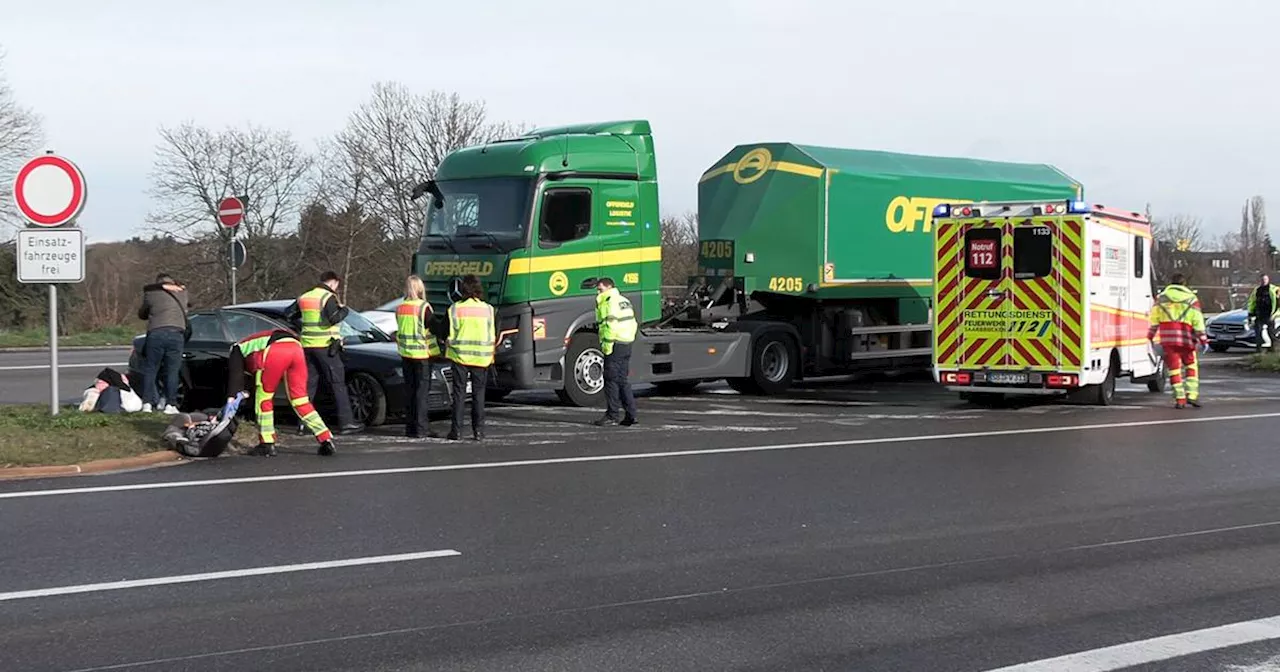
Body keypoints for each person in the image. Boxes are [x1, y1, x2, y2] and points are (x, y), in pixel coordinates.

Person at [224, 327, 336, 457]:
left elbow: (236, 378)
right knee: (301, 400)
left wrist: (230, 401)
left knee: (264, 398)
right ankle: (325, 438)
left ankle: (266, 443)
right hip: (296, 348)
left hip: (275, 349)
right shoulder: (255, 342)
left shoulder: (236, 349)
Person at [287, 271, 363, 434]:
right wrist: (345, 310)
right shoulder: (327, 297)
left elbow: (290, 315)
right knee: (337, 384)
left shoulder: (305, 297)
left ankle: (303, 424)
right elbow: (334, 318)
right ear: (333, 282)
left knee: (309, 386)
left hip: (307, 346)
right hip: (326, 347)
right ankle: (346, 422)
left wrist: (303, 327)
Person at [445, 274, 495, 441]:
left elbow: (450, 333)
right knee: (478, 395)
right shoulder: (488, 309)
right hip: (481, 358)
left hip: (460, 357)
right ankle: (478, 432)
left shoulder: (455, 309)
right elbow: (491, 335)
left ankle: (456, 431)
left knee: (459, 394)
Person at [1148, 273, 1208, 409]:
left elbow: (1154, 320)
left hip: (1168, 339)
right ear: (1184, 284)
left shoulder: (1161, 298)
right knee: (1191, 366)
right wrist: (1203, 339)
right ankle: (1192, 396)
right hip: (1187, 339)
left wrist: (1150, 336)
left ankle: (1179, 399)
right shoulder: (1192, 299)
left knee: (1174, 370)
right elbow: (1197, 321)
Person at [396, 275, 441, 438]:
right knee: (421, 393)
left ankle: (411, 428)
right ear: (419, 288)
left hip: (405, 354)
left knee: (410, 391)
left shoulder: (400, 307)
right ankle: (422, 428)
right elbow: (434, 327)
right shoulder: (423, 307)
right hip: (422, 355)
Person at [137, 273, 189, 414]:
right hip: (176, 334)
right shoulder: (182, 292)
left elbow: (142, 314)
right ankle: (170, 404)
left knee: (151, 369)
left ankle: (147, 404)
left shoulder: (151, 293)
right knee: (172, 371)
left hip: (156, 333)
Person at [592, 277, 638, 426]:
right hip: (626, 343)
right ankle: (631, 414)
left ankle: (612, 415)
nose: (598, 292)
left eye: (600, 289)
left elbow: (609, 326)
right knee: (622, 380)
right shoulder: (624, 300)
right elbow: (633, 322)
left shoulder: (608, 302)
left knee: (611, 380)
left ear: (608, 287)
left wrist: (607, 346)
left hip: (615, 344)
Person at [1248, 273, 1279, 353]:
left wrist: (1275, 314)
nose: (1263, 281)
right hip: (1259, 314)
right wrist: (1251, 313)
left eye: (1265, 279)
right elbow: (1252, 302)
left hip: (1270, 314)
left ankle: (1273, 349)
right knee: (1258, 332)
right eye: (1262, 279)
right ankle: (1259, 350)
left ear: (1268, 280)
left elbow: (1278, 304)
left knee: (1271, 333)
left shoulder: (1274, 289)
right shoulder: (1257, 290)